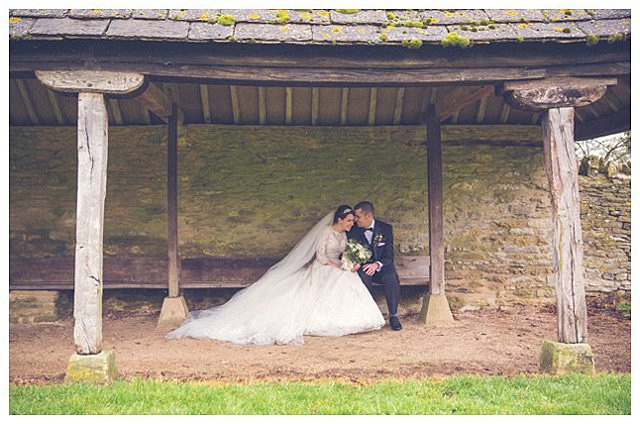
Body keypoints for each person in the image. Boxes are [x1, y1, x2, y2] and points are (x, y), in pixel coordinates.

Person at [167, 205, 384, 345]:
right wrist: (339, 265)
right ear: (338, 220)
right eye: (348, 222)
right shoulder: (325, 233)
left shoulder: (344, 235)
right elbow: (320, 258)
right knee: (340, 276)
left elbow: (344, 252)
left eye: (352, 222)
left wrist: (349, 262)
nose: (351, 225)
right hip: (322, 268)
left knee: (348, 277)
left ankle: (353, 318)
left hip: (337, 266)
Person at [347, 201, 402, 331]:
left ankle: (393, 315)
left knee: (391, 279)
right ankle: (369, 316)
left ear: (369, 216)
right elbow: (350, 251)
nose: (356, 220)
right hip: (364, 267)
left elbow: (389, 256)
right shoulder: (353, 230)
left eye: (358, 217)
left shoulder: (386, 229)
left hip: (382, 267)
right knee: (362, 279)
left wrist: (377, 264)